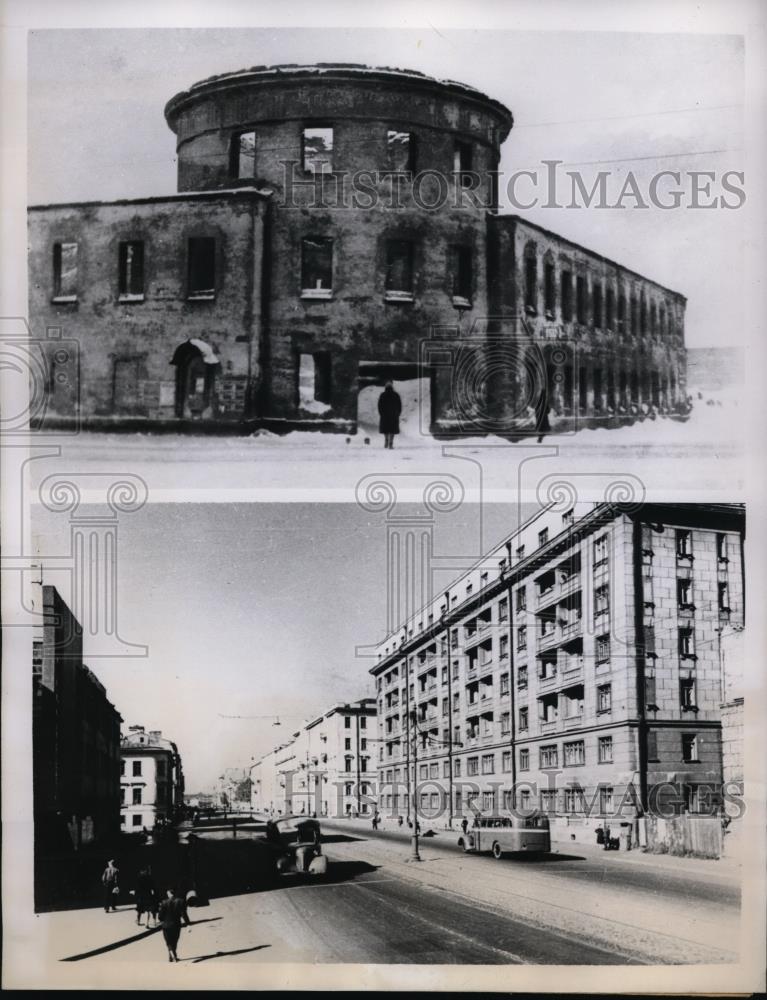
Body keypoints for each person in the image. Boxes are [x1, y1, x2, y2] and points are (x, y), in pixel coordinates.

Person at [157, 887, 190, 963]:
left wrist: (162, 919)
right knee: (175, 941)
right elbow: (184, 914)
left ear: (169, 894)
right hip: (176, 925)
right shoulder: (180, 901)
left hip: (166, 925)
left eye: (167, 893)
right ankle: (172, 956)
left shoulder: (164, 902)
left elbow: (160, 917)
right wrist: (188, 924)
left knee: (168, 941)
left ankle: (172, 954)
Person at [377, 381, 402, 449]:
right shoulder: (396, 395)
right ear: (392, 387)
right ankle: (391, 442)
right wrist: (398, 413)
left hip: (385, 415)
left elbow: (379, 405)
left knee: (385, 429)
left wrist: (381, 413)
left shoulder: (382, 395)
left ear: (385, 387)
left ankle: (386, 439)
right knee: (392, 429)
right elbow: (399, 405)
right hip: (393, 415)